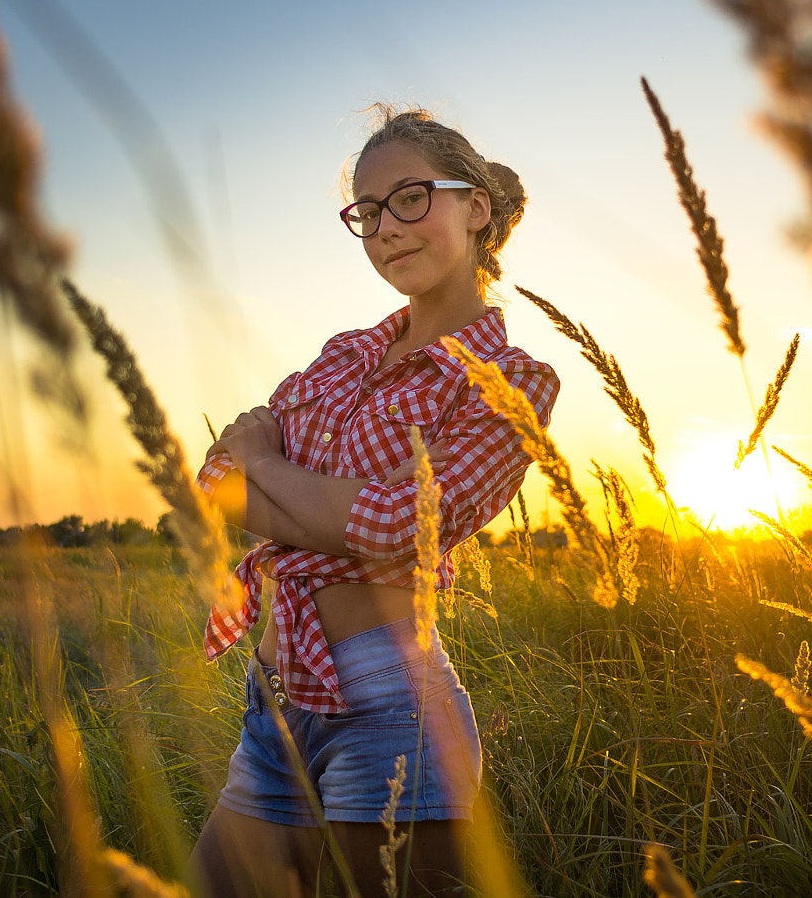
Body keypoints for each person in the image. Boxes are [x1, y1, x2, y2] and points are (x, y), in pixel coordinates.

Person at [184, 107, 560, 897]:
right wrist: (297, 492)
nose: (388, 227)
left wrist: (267, 467)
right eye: (369, 210)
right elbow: (218, 484)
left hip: (391, 708)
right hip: (275, 706)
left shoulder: (511, 381)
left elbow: (403, 527)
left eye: (412, 198)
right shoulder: (343, 354)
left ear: (477, 208)